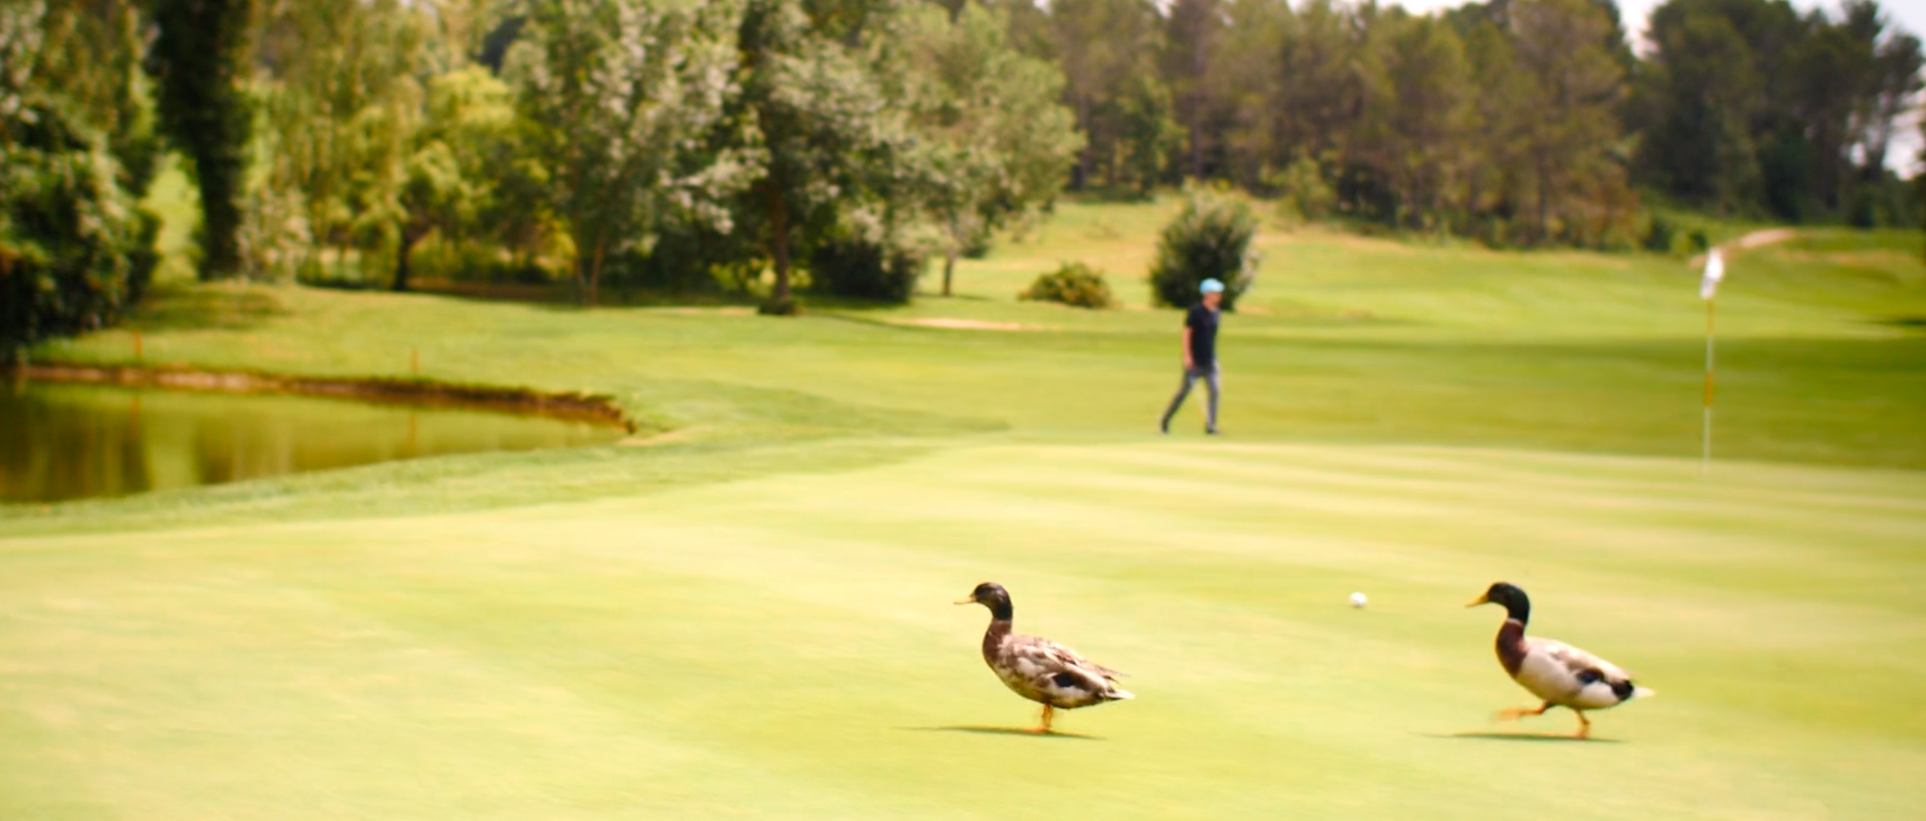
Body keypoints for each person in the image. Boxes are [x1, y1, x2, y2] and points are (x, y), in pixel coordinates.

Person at [1160, 278, 1224, 435]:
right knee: (1184, 392)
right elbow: (1187, 334)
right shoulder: (1195, 312)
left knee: (1215, 391)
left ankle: (1211, 426)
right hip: (1195, 362)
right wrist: (1187, 356)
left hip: (1210, 361)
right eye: (1215, 293)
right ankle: (1165, 420)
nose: (1219, 296)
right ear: (1207, 294)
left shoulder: (1216, 313)